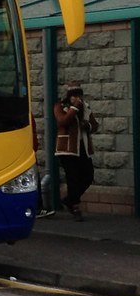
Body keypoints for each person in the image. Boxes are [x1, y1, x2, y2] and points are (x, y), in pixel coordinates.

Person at [53, 83, 99, 221]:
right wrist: (74, 108)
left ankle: (70, 199)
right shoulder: (60, 107)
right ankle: (75, 207)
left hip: (82, 148)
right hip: (67, 149)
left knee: (88, 176)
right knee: (72, 177)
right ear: (69, 97)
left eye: (79, 95)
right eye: (74, 96)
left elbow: (95, 125)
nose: (77, 98)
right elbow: (63, 122)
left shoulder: (86, 107)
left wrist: (88, 125)